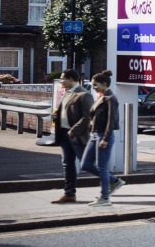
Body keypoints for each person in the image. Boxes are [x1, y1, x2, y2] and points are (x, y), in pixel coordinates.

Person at [80, 70, 122, 205]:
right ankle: (114, 181)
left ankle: (105, 198)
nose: (94, 88)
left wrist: (105, 138)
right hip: (95, 135)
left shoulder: (111, 98)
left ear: (104, 84)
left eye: (95, 85)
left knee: (102, 167)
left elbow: (111, 120)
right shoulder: (101, 96)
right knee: (85, 164)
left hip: (104, 135)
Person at [52, 71, 93, 205]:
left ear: (71, 79)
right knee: (67, 164)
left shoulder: (84, 94)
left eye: (62, 79)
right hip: (63, 134)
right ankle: (69, 194)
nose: (60, 81)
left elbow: (87, 117)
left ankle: (112, 181)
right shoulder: (67, 92)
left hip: (76, 135)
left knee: (86, 164)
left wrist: (74, 130)